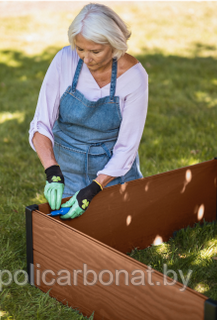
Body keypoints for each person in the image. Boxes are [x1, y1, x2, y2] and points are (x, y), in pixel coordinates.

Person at [29, 3, 148, 220]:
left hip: (113, 174)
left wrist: (95, 187)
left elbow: (127, 147)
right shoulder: (64, 60)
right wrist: (53, 172)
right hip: (67, 170)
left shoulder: (134, 77)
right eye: (80, 49)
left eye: (95, 51)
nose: (86, 58)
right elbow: (41, 124)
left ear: (115, 45)